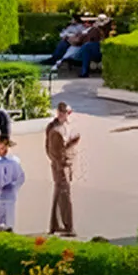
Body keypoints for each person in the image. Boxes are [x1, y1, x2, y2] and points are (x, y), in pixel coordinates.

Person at [44, 100, 81, 236]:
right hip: (61, 166)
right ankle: (68, 227)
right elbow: (54, 151)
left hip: (64, 165)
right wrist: (71, 143)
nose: (64, 115)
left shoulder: (61, 126)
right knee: (65, 196)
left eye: (65, 112)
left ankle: (55, 225)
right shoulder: (56, 130)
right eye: (62, 112)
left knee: (59, 194)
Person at [0, 134, 26, 232]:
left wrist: (13, 186)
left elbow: (20, 176)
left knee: (9, 210)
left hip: (9, 191)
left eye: (1, 148)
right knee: (0, 211)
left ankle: (9, 227)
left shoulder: (13, 161)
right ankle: (1, 227)